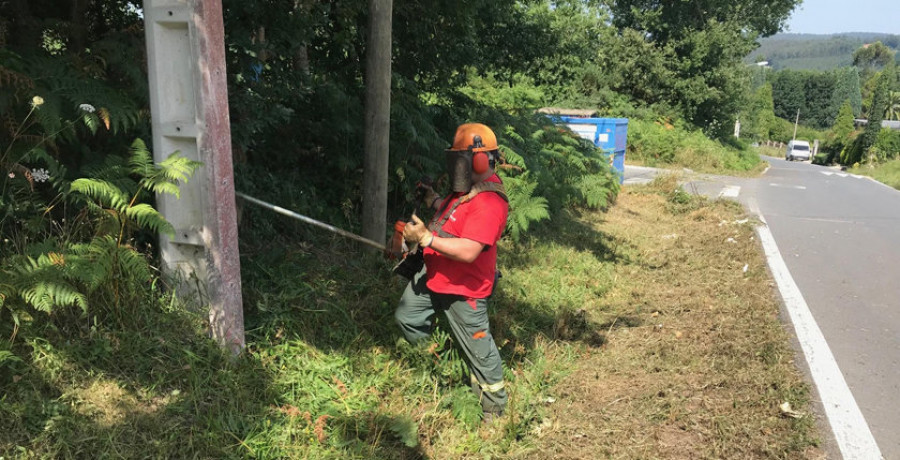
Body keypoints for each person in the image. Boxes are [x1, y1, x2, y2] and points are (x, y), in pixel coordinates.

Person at [395, 123, 509, 423]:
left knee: (480, 350)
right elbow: (450, 213)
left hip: (463, 288)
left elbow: (471, 250)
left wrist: (426, 239)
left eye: (462, 161)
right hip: (434, 276)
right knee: (408, 317)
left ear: (481, 160)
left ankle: (494, 409)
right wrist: (432, 197)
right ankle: (438, 363)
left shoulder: (490, 202)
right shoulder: (465, 191)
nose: (457, 168)